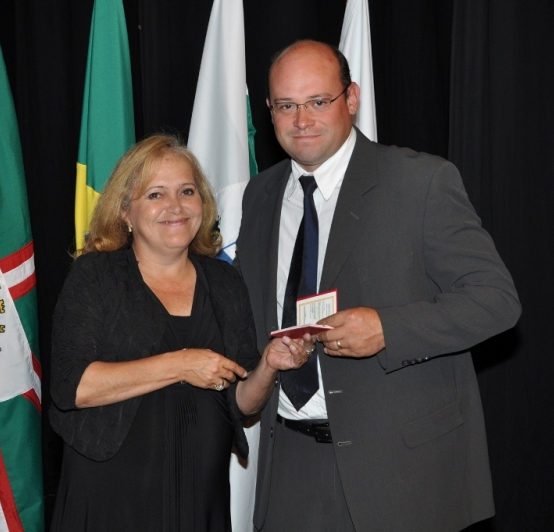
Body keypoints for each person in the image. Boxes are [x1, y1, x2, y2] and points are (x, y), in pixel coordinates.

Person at [234, 41, 522, 532]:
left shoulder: (420, 181)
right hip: (290, 472)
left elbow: (496, 301)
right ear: (269, 110)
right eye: (286, 105)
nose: (302, 120)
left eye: (318, 101)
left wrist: (388, 328)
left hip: (402, 476)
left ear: (351, 98)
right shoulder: (260, 195)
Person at [49, 134, 310, 532]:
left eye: (187, 191)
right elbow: (72, 387)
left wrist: (269, 366)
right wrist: (181, 365)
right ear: (125, 212)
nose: (175, 206)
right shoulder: (96, 276)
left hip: (200, 498)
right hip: (111, 500)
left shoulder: (224, 281)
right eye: (156, 194)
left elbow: (242, 403)